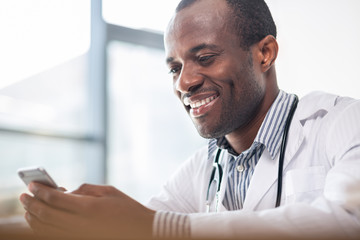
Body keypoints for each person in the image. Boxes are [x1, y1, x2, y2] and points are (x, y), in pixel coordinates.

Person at [20, 0, 360, 239]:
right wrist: (81, 222)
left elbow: (349, 221)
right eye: (175, 68)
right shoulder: (203, 167)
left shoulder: (342, 122)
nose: (184, 83)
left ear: (264, 54)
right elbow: (143, 224)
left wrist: (158, 228)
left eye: (206, 58)